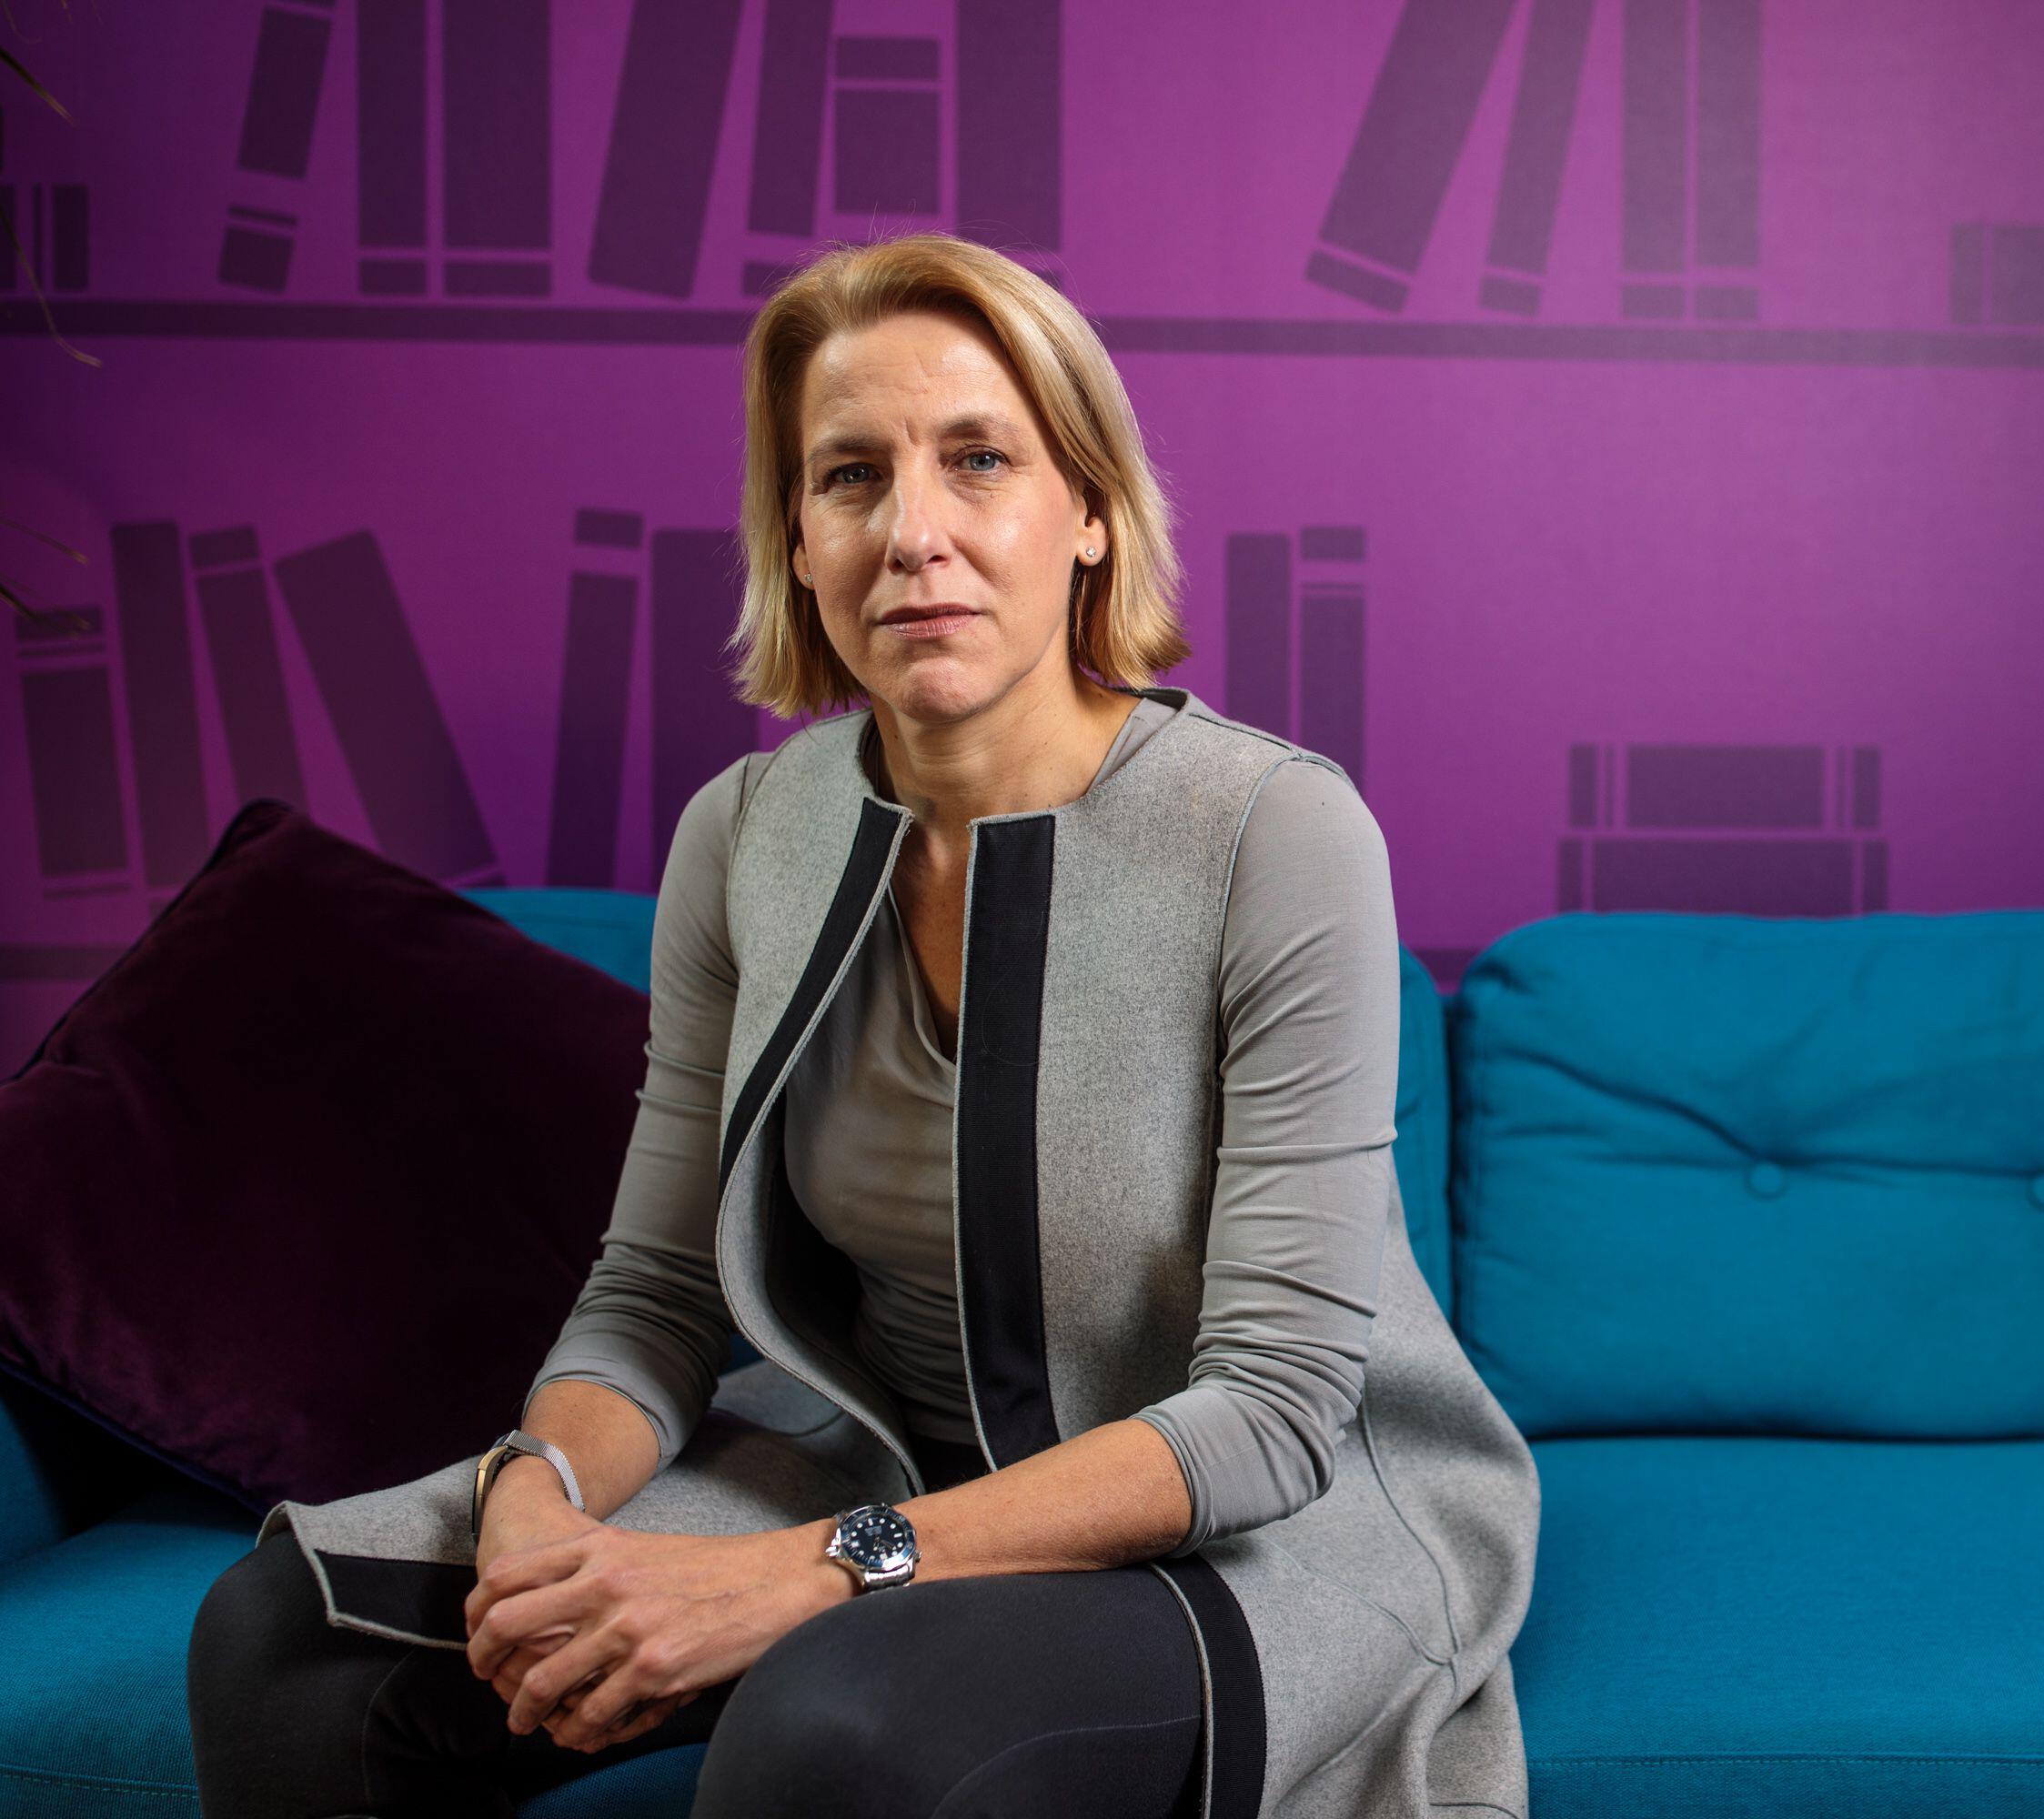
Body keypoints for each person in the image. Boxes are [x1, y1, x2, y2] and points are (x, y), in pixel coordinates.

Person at [186, 230, 1540, 1818]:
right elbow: (660, 1294)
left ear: (1091, 513)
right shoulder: (747, 833)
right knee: (288, 1638)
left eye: (980, 460)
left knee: (833, 1725)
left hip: (1249, 1531)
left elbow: (1275, 1412)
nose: (914, 534)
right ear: (800, 540)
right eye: (849, 478)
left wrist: (812, 1577)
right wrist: (533, 1498)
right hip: (871, 1473)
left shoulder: (1273, 832)